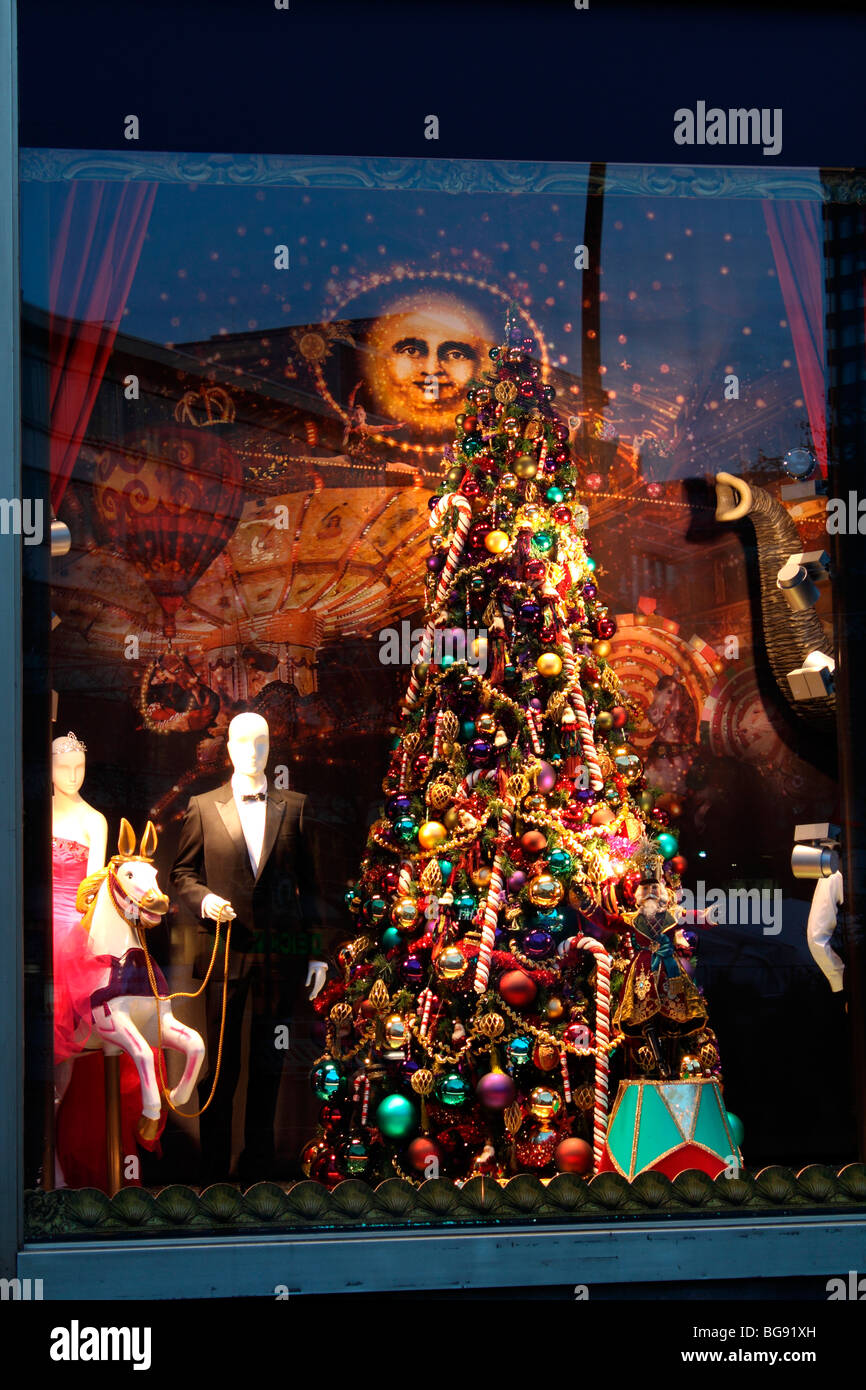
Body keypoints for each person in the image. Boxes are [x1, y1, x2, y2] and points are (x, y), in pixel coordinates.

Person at [170, 711, 335, 1184]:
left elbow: (311, 883)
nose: (251, 751)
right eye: (242, 741)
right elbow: (181, 875)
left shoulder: (295, 807)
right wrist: (204, 901)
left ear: (271, 748)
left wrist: (316, 952)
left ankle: (258, 1174)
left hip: (278, 957)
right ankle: (214, 1175)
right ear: (227, 749)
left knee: (269, 1065)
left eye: (260, 742)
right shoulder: (203, 807)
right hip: (222, 953)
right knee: (221, 1065)